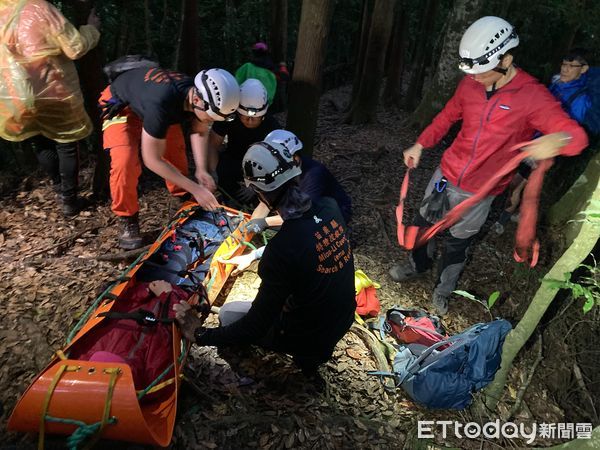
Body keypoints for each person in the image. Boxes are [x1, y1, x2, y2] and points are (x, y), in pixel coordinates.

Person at [389, 16, 588, 314]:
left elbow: (578, 138)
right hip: (446, 174)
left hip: (479, 193)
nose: (475, 78)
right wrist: (421, 143)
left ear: (507, 59)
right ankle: (417, 265)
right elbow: (447, 116)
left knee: (458, 244)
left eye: (482, 71)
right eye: (473, 71)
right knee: (423, 224)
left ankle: (442, 291)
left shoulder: (532, 96)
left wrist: (556, 141)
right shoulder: (470, 84)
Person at [173, 140, 356, 379]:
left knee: (228, 313)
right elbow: (310, 252)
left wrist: (200, 335)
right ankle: (310, 357)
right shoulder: (330, 207)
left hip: (311, 333)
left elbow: (254, 325)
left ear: (259, 192)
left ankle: (303, 353)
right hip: (343, 319)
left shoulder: (281, 249)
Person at [99, 67, 239, 249]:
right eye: (211, 117)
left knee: (175, 151)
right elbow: (151, 159)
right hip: (120, 105)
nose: (211, 122)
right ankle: (128, 217)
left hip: (153, 104)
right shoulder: (162, 103)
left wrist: (201, 170)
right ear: (196, 100)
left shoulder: (196, 94)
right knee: (124, 162)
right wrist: (196, 188)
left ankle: (181, 196)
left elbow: (200, 130)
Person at [0, 0, 101, 216]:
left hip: (16, 95)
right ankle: (69, 199)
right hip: (54, 90)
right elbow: (75, 48)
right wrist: (91, 28)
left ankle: (58, 186)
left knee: (40, 139)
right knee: (66, 144)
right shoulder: (39, 7)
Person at [493, 50, 593, 234]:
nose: (565, 69)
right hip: (526, 137)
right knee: (505, 177)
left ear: (584, 69)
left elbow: (571, 133)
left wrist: (548, 147)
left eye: (572, 66)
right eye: (564, 64)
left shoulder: (582, 98)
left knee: (516, 183)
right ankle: (505, 211)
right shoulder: (556, 83)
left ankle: (501, 221)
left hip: (541, 149)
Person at [244, 129, 352, 235]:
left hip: (331, 215)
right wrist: (252, 224)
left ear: (295, 158)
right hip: (302, 210)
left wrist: (264, 222)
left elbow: (303, 214)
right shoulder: (282, 171)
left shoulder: (313, 174)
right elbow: (265, 202)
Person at [207, 78, 280, 204]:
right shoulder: (228, 117)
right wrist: (212, 173)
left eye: (255, 118)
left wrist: (258, 186)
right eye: (245, 117)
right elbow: (212, 145)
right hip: (234, 159)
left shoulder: (271, 126)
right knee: (223, 169)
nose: (249, 121)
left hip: (260, 168)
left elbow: (277, 161)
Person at [235, 42, 289, 106]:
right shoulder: (271, 70)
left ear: (254, 53)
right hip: (265, 104)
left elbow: (236, 82)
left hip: (245, 101)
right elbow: (284, 76)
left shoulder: (247, 67)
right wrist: (283, 67)